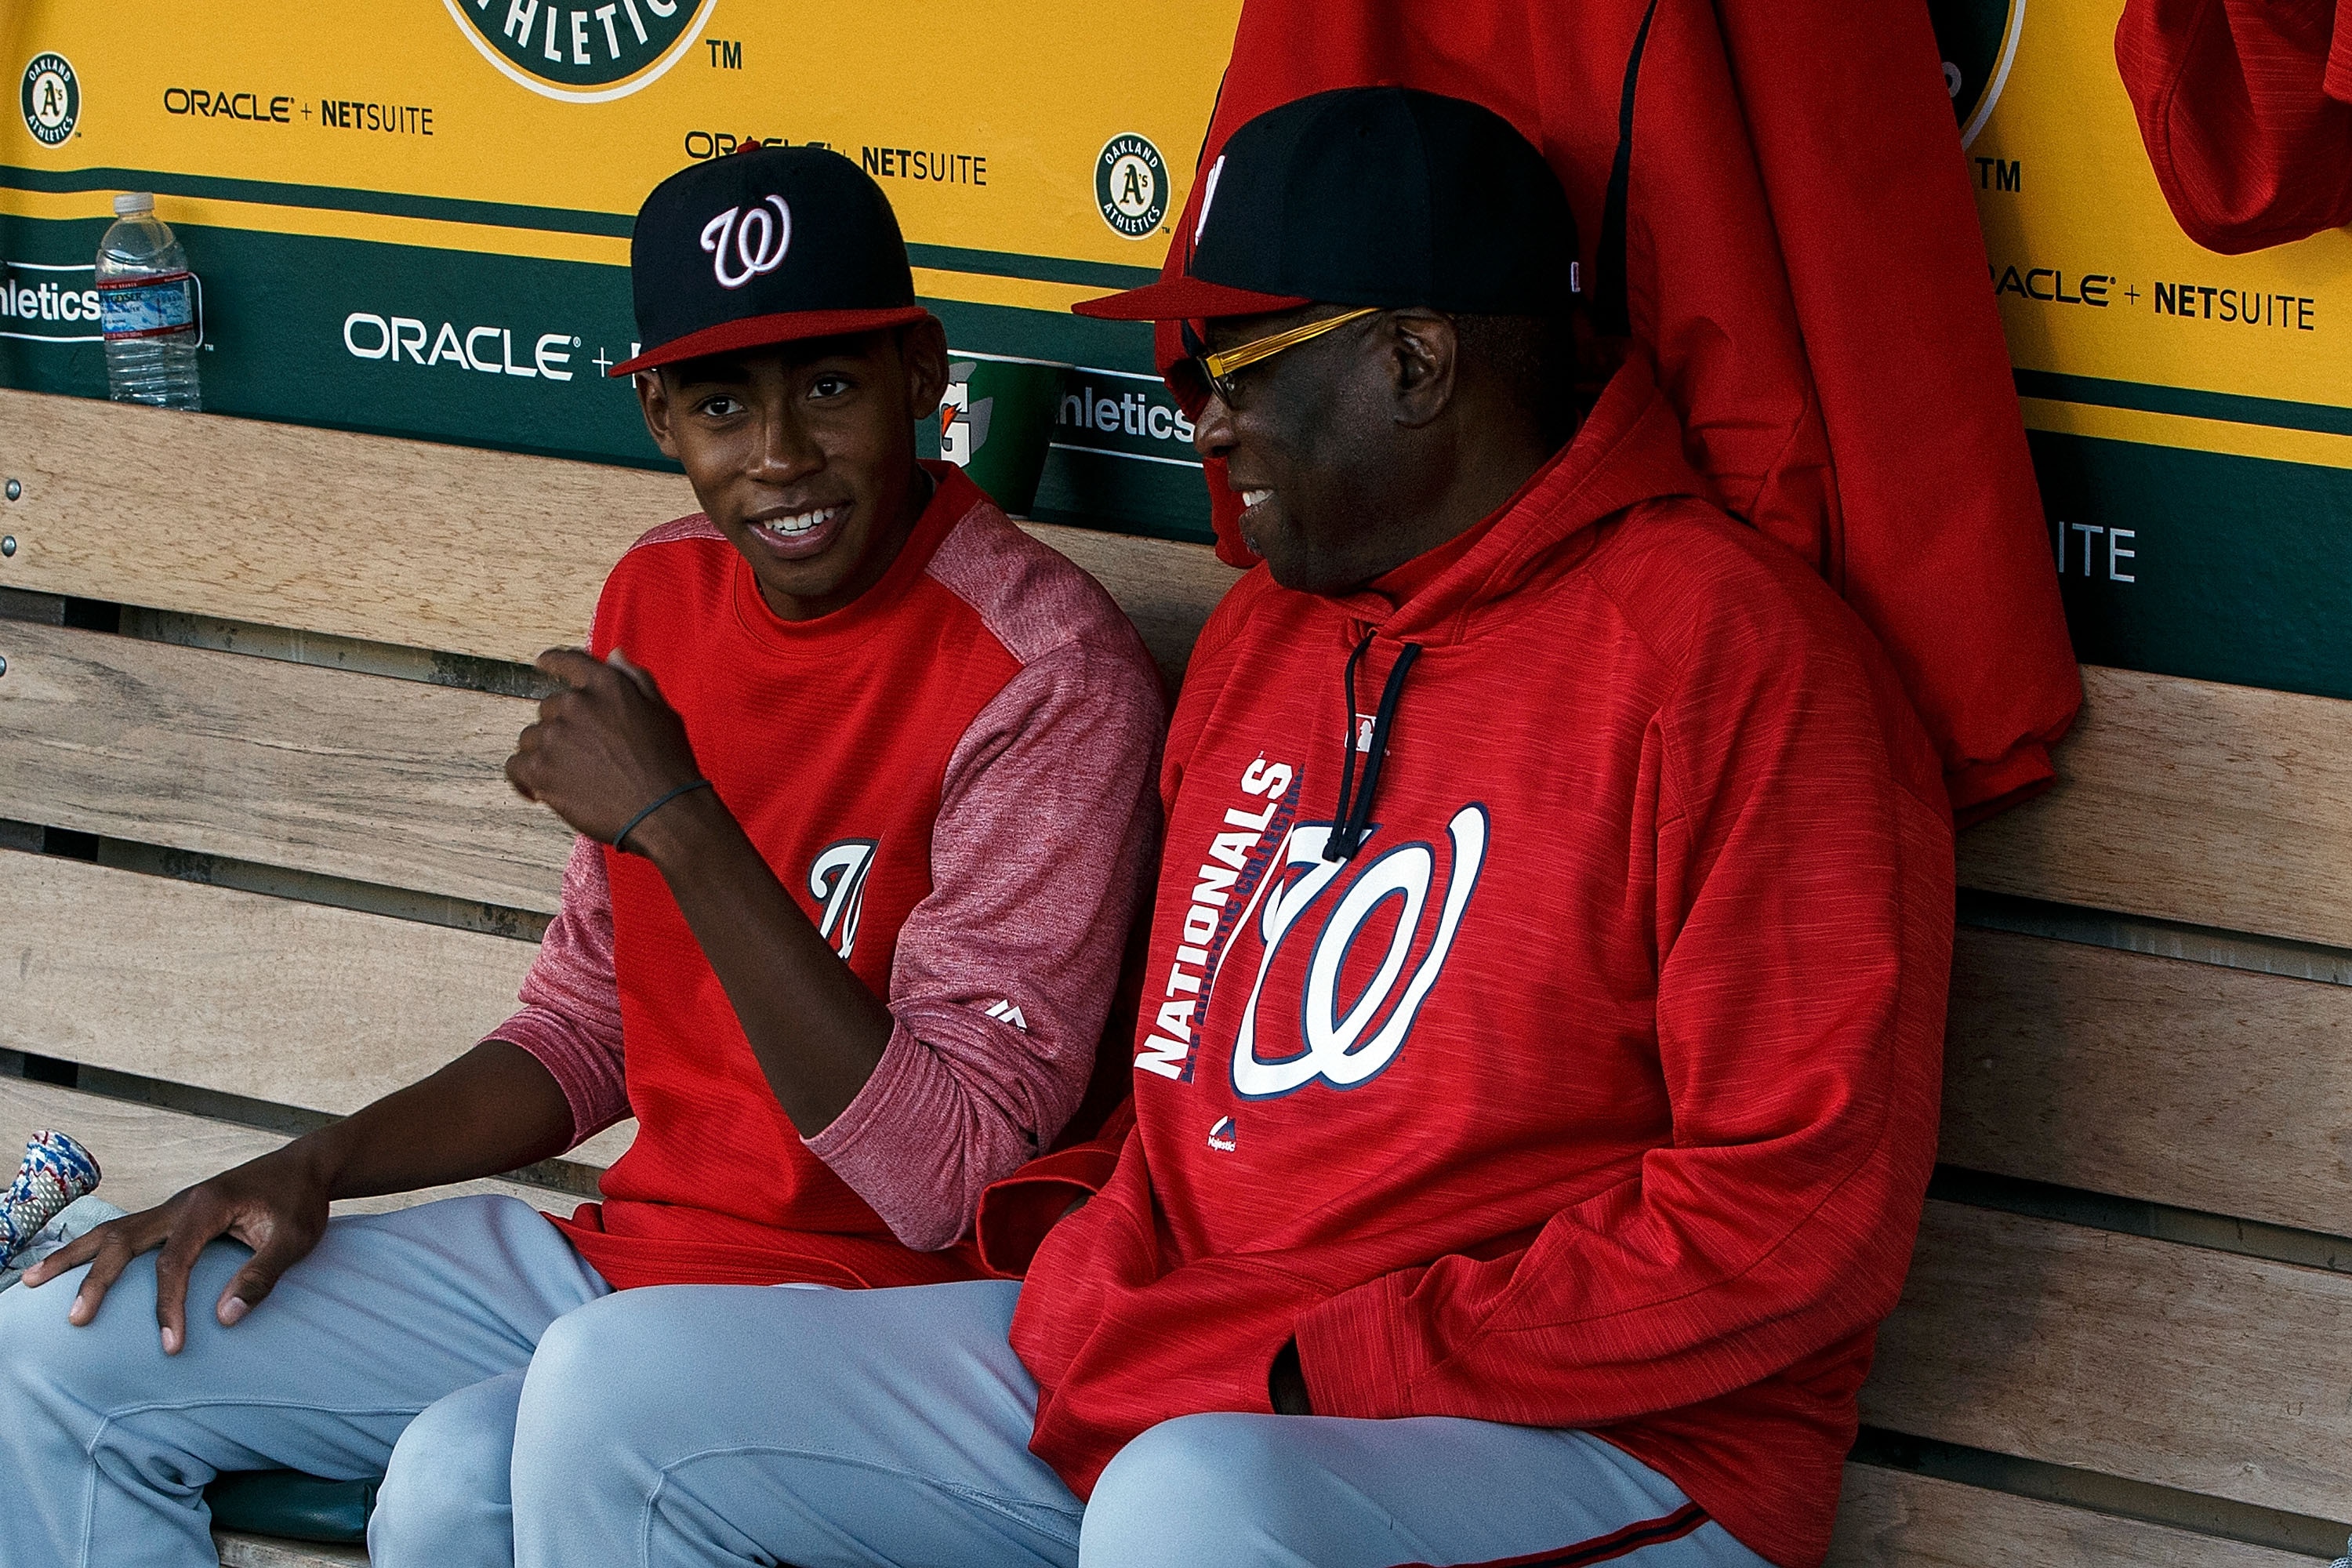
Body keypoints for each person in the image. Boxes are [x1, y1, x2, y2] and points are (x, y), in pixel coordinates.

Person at [434, 89, 1951, 1568]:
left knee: (1195, 1504)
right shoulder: (1267, 643)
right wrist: (1115, 1288)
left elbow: (1787, 1213)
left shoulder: (1732, 659)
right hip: (1215, 1351)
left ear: (1415, 361)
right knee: (619, 1394)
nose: (1206, 423)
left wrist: (1316, 1354)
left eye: (1234, 365)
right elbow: (1174, 1093)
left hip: (1606, 1435)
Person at [0, 145, 1163, 1568]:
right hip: (621, 1266)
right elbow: (585, 1026)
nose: (783, 453)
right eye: (726, 404)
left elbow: (947, 1175)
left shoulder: (1042, 670)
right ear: (661, 417)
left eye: (833, 385)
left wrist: (679, 821)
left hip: (884, 1321)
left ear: (922, 374)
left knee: (457, 1479)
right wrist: (317, 1163)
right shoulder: (659, 592)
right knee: (65, 1342)